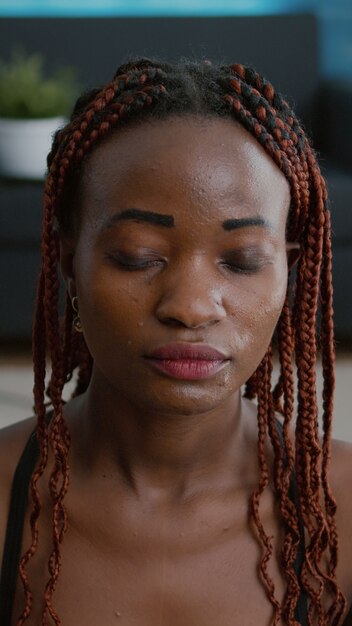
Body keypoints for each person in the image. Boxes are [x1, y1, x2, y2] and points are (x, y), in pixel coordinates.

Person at [0, 58, 351, 626]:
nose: (190, 307)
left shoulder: (344, 508)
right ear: (70, 266)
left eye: (242, 262)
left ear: (287, 276)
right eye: (137, 257)